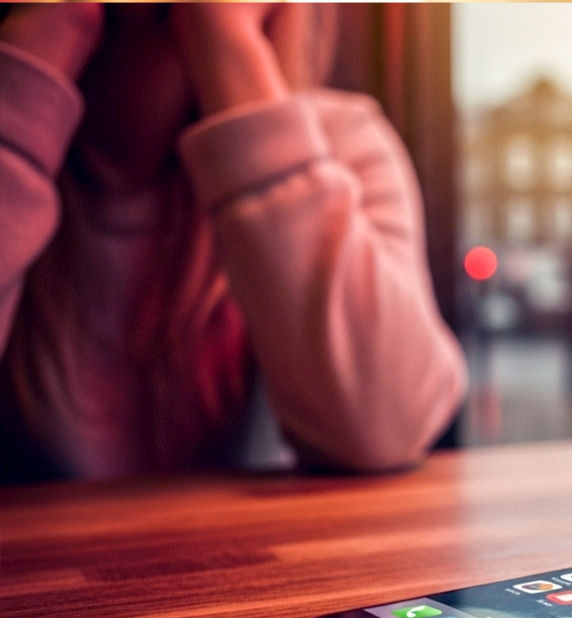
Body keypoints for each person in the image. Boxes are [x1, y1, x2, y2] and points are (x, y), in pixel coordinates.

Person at [0, 4, 466, 481]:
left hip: (264, 552)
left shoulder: (339, 145)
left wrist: (228, 43)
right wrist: (36, 50)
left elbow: (385, 429)